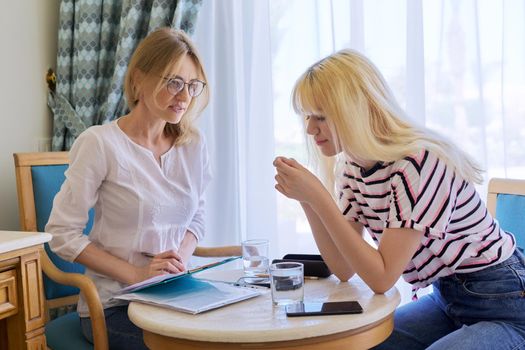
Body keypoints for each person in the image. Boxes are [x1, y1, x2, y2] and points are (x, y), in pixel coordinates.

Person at [273, 49, 525, 349]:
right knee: (363, 344)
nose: (309, 129)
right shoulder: (352, 168)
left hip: (504, 302)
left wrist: (318, 195)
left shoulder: (418, 164)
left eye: (320, 117)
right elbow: (342, 267)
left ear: (354, 111)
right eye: (306, 116)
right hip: (446, 297)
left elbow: (382, 278)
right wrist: (309, 200)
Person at [46, 27, 211, 349]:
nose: (184, 96)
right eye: (173, 82)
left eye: (192, 85)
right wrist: (136, 274)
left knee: (235, 336)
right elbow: (61, 234)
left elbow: (198, 218)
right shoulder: (100, 143)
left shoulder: (193, 144)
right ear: (138, 80)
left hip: (175, 295)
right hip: (115, 306)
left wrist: (177, 260)